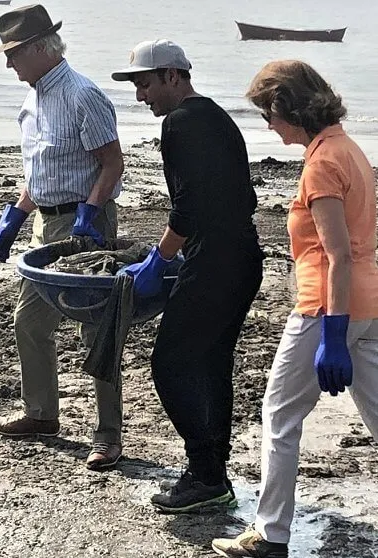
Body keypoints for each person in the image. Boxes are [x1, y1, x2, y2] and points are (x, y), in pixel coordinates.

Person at [211, 60, 378, 558]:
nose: (267, 124)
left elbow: (336, 255)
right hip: (370, 307)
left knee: (280, 415)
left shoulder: (322, 163)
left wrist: (331, 335)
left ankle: (271, 535)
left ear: (286, 106)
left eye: (268, 113)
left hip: (327, 308)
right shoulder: (347, 148)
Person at [111, 40, 263, 512]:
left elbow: (190, 205)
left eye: (145, 84)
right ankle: (213, 473)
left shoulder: (180, 123)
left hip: (216, 260)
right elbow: (235, 196)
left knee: (171, 364)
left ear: (173, 76)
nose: (141, 96)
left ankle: (204, 471)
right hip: (242, 256)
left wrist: (160, 260)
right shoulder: (216, 116)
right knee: (212, 363)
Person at [0, 4, 125, 470]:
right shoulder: (33, 98)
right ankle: (41, 415)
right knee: (29, 322)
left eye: (13, 54)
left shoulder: (83, 95)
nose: (9, 64)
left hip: (85, 225)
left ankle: (108, 435)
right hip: (46, 223)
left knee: (96, 331)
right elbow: (40, 169)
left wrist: (90, 212)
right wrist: (16, 215)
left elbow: (112, 161)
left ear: (40, 49)